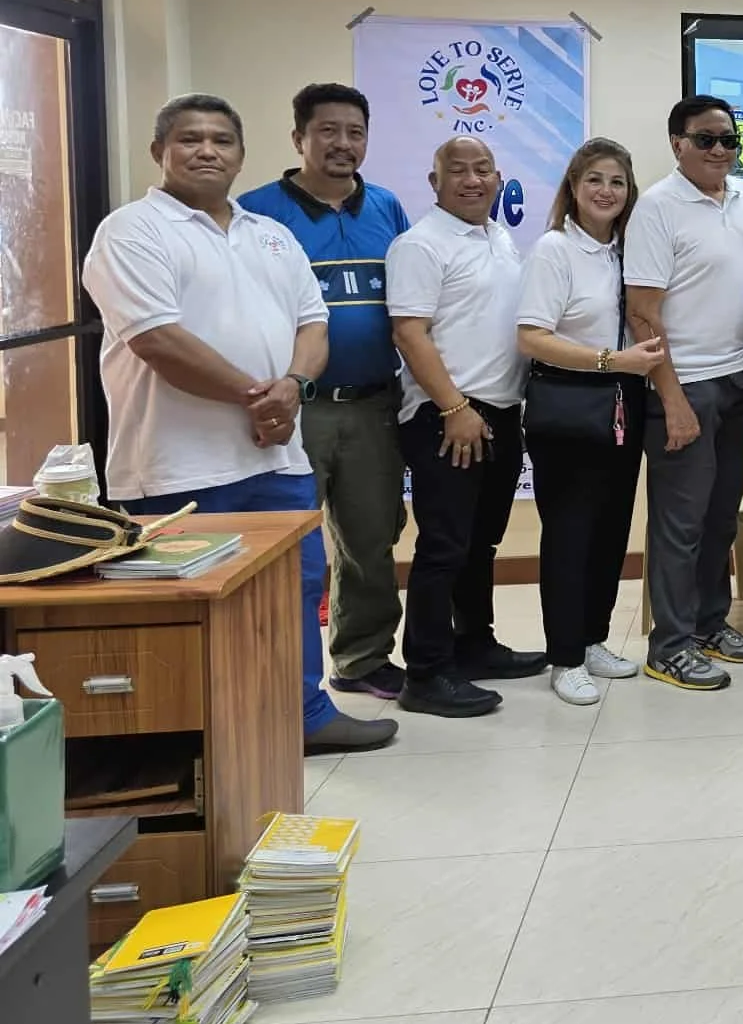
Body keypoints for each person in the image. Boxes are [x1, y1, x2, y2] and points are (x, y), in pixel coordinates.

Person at [81, 94, 396, 754]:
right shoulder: (131, 231)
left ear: (242, 154)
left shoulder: (269, 235)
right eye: (190, 139)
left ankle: (304, 714)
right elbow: (157, 339)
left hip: (276, 461)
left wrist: (295, 386)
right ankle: (197, 732)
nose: (207, 151)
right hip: (176, 465)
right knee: (190, 604)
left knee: (297, 586)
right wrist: (262, 398)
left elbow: (316, 323)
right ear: (158, 153)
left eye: (221, 140)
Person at [240, 83, 413, 702]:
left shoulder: (388, 207)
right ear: (299, 139)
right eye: (328, 131)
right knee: (289, 547)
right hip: (297, 409)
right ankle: (281, 677)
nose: (343, 144)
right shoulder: (256, 213)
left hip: (373, 405)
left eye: (355, 132)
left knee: (371, 539)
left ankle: (362, 658)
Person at [386, 136, 546, 718]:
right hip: (448, 415)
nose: (472, 180)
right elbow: (410, 333)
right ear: (435, 183)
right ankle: (425, 673)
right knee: (445, 546)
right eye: (459, 171)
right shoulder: (419, 246)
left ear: (498, 179)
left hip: (500, 413)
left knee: (481, 542)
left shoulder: (500, 238)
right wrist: (455, 408)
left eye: (483, 170)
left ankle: (474, 645)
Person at [624, 96, 743, 692]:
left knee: (718, 516)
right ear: (677, 143)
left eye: (728, 140)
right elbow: (641, 313)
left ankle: (710, 624)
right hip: (684, 386)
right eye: (705, 139)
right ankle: (670, 645)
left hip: (738, 382)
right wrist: (673, 397)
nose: (719, 150)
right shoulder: (658, 208)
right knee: (679, 523)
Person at [516, 139, 667, 707]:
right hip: (572, 400)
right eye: (595, 180)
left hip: (624, 399)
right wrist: (613, 361)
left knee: (610, 530)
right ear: (573, 188)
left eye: (618, 182)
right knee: (570, 534)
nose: (606, 191)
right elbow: (532, 337)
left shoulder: (625, 251)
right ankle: (565, 657)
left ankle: (594, 639)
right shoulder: (554, 250)